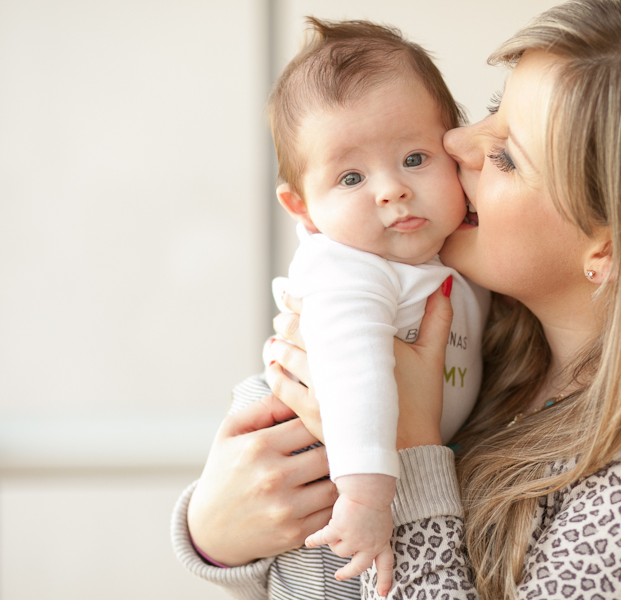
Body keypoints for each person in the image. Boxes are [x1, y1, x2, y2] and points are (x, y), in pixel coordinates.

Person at [172, 1, 621, 598]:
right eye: (488, 109)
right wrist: (220, 535)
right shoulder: (498, 344)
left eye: (506, 155)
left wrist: (408, 452)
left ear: (610, 249)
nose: (455, 142)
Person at [183, 17, 490, 597]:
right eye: (351, 176)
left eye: (416, 158)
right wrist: (365, 498)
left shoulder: (450, 256)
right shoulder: (347, 269)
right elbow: (355, 377)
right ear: (302, 208)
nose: (391, 189)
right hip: (327, 462)